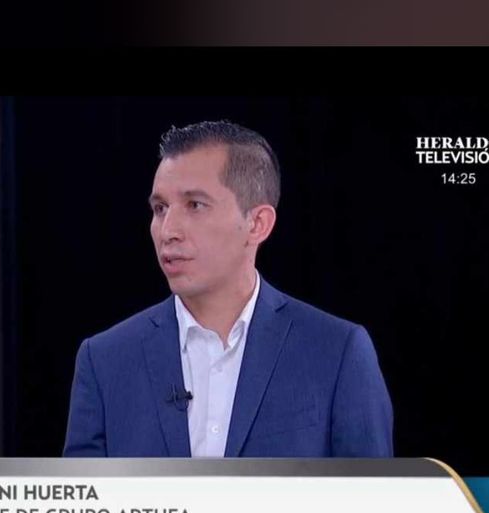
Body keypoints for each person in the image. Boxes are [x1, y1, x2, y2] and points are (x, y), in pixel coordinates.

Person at [63, 120, 393, 457]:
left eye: (195, 205)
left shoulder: (337, 352)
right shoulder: (104, 361)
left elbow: (370, 490)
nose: (168, 231)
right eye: (160, 209)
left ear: (257, 224)